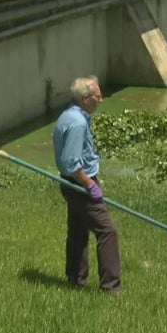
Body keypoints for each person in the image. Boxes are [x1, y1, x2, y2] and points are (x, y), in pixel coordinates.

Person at [53, 75, 122, 295]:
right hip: (78, 185)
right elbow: (72, 163)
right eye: (98, 96)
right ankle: (111, 288)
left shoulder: (69, 115)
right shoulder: (77, 123)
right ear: (85, 98)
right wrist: (90, 185)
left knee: (78, 230)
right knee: (107, 231)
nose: (101, 100)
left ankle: (75, 279)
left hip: (71, 184)